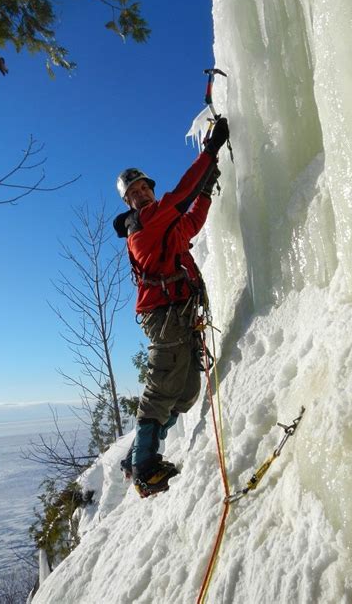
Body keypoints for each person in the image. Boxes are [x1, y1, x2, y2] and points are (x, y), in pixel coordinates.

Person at [113, 117, 230, 497]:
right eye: (134, 192)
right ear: (129, 203)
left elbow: (189, 223)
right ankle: (146, 469)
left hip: (177, 311)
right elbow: (182, 196)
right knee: (163, 386)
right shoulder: (143, 224)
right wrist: (210, 152)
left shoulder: (164, 224)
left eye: (145, 187)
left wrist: (207, 192)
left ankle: (135, 457)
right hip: (163, 315)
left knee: (186, 392)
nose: (142, 194)